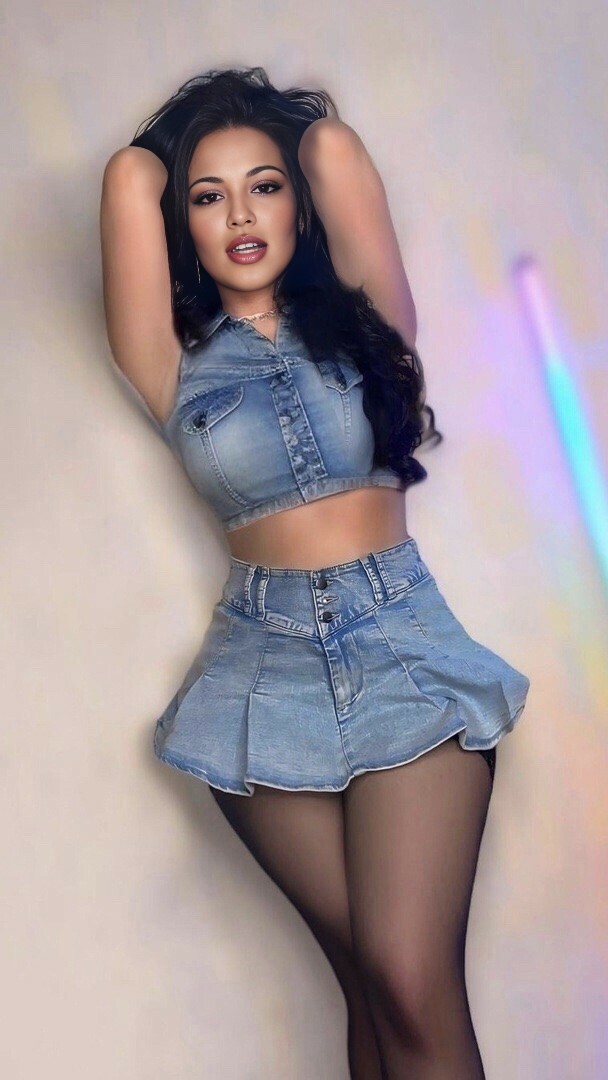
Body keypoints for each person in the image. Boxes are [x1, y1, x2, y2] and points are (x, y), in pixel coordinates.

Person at [100, 66, 530, 1079]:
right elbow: (128, 177)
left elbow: (332, 150)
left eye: (265, 187)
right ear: (181, 224)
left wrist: (282, 136)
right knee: (371, 985)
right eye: (208, 198)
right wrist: (186, 151)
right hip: (261, 667)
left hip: (399, 641)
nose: (240, 215)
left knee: (406, 975)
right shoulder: (170, 361)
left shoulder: (369, 322)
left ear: (299, 202)